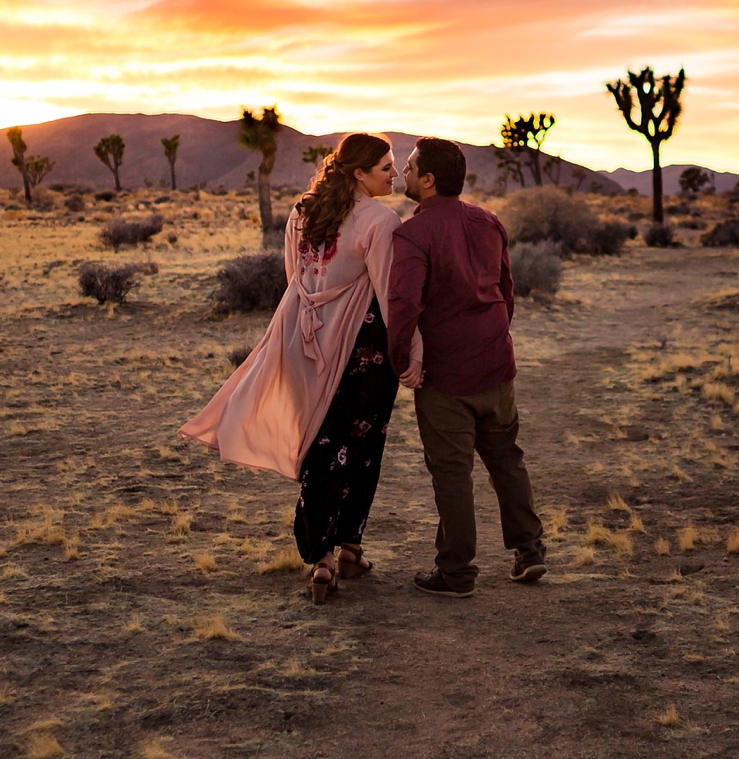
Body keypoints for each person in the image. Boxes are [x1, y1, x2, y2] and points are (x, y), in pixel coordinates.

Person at [180, 133, 421, 603]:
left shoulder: (301, 212)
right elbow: (391, 294)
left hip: (300, 338)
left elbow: (295, 279)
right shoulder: (381, 220)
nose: (393, 175)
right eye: (385, 167)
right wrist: (409, 350)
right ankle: (349, 545)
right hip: (360, 349)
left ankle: (323, 558)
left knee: (319, 444)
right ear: (358, 174)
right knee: (364, 445)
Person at [386, 136, 546, 597]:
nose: (405, 174)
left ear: (429, 180)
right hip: (497, 365)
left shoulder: (413, 234)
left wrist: (402, 361)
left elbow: (403, 305)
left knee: (452, 474)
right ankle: (530, 551)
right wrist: (493, 340)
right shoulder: (488, 222)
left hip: (445, 377)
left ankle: (456, 572)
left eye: (412, 167)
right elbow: (507, 292)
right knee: (507, 459)